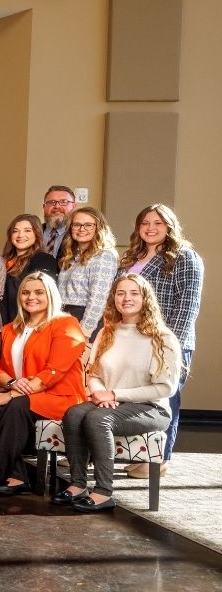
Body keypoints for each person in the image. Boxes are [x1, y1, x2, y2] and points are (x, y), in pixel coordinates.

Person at [54, 274, 181, 512]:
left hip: (150, 407)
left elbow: (166, 387)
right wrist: (102, 393)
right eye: (120, 293)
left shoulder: (162, 337)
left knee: (97, 419)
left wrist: (114, 394)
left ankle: (103, 491)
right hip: (111, 402)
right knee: (73, 414)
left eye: (134, 293)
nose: (126, 298)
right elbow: (94, 374)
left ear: (146, 298)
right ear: (114, 298)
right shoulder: (106, 332)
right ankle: (78, 484)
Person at [0, 272, 86, 495]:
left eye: (38, 292)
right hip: (24, 394)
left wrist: (9, 395)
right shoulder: (9, 329)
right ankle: (16, 477)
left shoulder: (66, 324)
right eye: (25, 292)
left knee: (13, 406)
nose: (30, 297)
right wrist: (12, 384)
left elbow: (54, 371)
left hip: (59, 397)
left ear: (50, 295)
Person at [116, 204, 203, 478]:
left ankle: (158, 462)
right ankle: (143, 454)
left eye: (158, 223)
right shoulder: (133, 257)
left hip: (166, 341)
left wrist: (168, 347)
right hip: (134, 340)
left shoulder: (185, 257)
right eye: (145, 223)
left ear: (170, 226)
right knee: (140, 402)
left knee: (165, 400)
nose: (150, 228)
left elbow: (187, 306)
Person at [58, 206, 118, 337]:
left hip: (84, 318)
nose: (81, 229)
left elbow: (98, 299)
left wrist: (85, 331)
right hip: (64, 316)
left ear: (98, 227)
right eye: (77, 225)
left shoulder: (104, 255)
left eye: (88, 225)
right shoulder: (72, 255)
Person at [1, 214, 59, 325]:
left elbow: (43, 298)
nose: (20, 235)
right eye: (15, 231)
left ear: (36, 234)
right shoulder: (4, 261)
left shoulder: (43, 259)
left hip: (28, 324)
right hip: (5, 325)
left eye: (27, 230)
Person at [41, 185, 77, 260]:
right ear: (44, 207)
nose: (57, 206)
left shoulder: (80, 235)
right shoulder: (33, 232)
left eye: (63, 202)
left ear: (74, 206)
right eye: (51, 202)